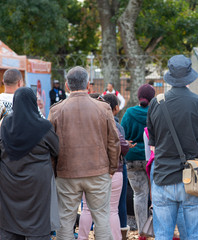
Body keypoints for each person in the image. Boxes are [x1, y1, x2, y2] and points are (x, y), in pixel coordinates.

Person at [147, 55, 198, 239]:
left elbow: (152, 143)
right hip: (194, 177)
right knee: (195, 234)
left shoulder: (156, 103)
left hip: (163, 177)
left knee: (162, 234)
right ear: (188, 77)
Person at [48, 66, 120, 239]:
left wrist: (54, 171)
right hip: (98, 171)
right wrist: (111, 169)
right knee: (102, 219)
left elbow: (50, 146)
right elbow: (114, 141)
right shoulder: (103, 108)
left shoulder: (56, 110)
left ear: (66, 85)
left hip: (66, 173)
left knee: (65, 221)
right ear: (88, 85)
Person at [0, 87, 59, 239]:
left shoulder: (6, 124)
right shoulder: (44, 127)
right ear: (34, 102)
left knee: (9, 221)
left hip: (9, 183)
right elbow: (57, 149)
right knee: (37, 223)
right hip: (37, 185)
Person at [78, 94, 130, 240]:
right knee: (112, 210)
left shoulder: (82, 125)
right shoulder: (112, 124)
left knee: (87, 209)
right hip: (113, 172)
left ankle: (82, 237)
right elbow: (123, 147)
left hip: (88, 171)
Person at [121, 84, 155, 240]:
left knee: (139, 194)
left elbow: (123, 135)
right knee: (156, 194)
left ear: (138, 97)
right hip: (152, 158)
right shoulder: (156, 112)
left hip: (133, 158)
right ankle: (157, 228)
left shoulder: (129, 113)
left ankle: (142, 231)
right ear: (152, 97)